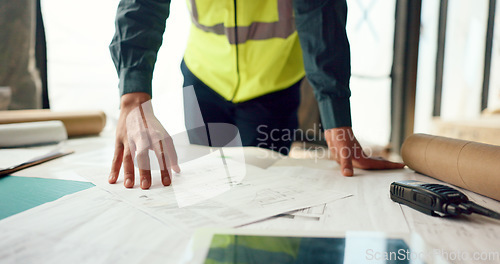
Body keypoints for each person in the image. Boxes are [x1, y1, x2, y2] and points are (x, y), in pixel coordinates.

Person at [108, 0, 404, 190]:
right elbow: (142, 7)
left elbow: (321, 13)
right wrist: (132, 99)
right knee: (207, 189)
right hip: (203, 80)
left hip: (272, 87)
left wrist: (335, 116)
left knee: (265, 194)